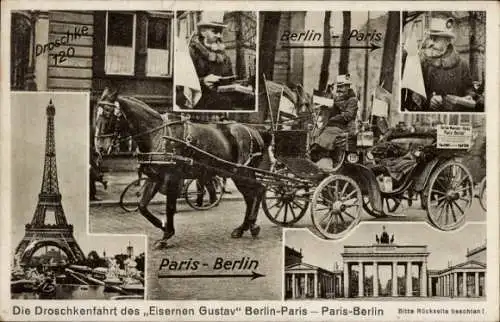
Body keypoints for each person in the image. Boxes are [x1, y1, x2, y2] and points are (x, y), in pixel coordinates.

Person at [419, 17, 476, 111]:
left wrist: (469, 97)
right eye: (431, 38)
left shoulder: (462, 64)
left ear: (447, 41)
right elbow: (418, 92)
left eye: (436, 39)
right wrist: (429, 99)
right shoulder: (425, 62)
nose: (431, 43)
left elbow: (470, 89)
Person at [310, 74, 358, 169]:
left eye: (342, 86)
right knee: (315, 131)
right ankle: (315, 155)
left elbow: (348, 115)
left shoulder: (352, 100)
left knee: (328, 133)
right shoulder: (336, 98)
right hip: (332, 125)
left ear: (348, 87)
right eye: (338, 86)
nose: (339, 89)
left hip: (345, 127)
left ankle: (319, 156)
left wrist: (333, 118)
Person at [189, 16, 234, 111]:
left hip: (223, 104)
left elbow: (229, 78)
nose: (219, 36)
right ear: (203, 32)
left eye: (220, 32)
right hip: (200, 104)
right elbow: (183, 83)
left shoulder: (225, 55)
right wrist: (202, 81)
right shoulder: (191, 52)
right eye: (215, 31)